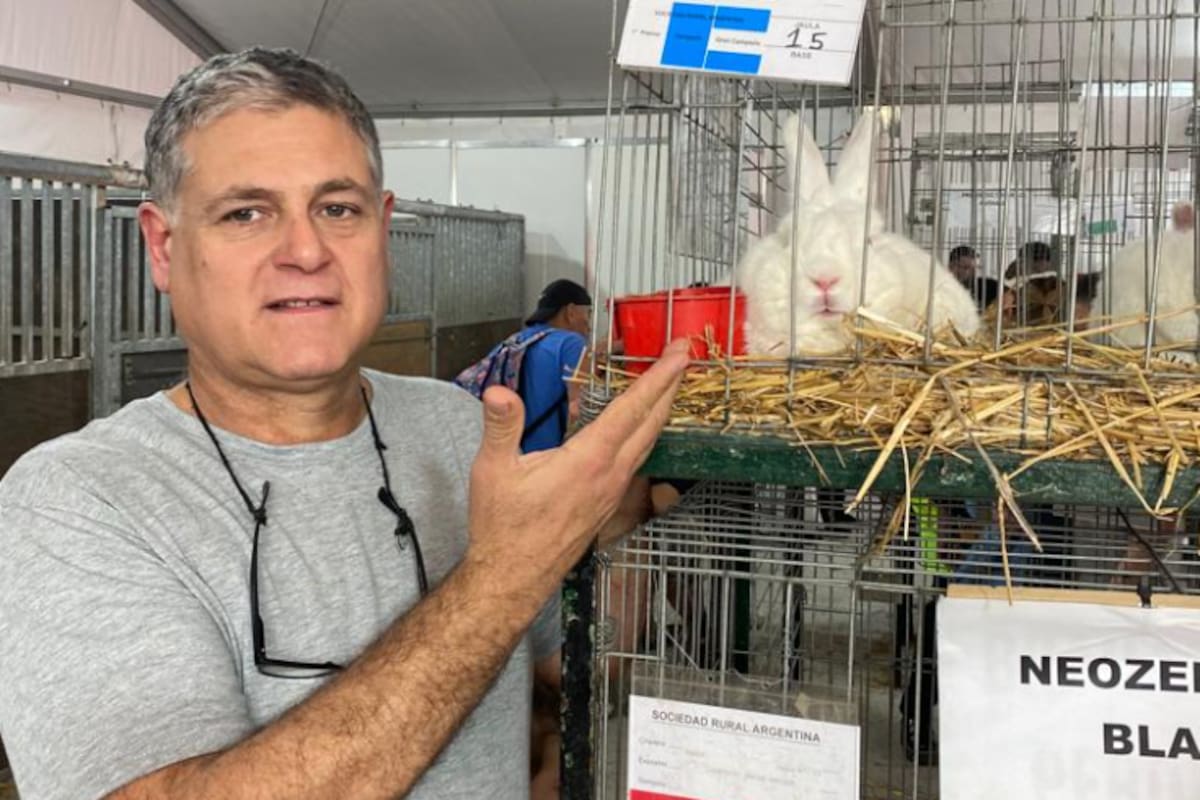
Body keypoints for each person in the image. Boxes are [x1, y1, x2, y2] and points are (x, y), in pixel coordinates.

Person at [0, 47, 688, 800]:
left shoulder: (459, 430)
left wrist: (630, 506)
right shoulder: (77, 500)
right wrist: (504, 576)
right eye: (246, 213)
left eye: (338, 208)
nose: (306, 251)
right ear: (164, 247)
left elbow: (574, 663)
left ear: (382, 227)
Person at [513, 278, 592, 452]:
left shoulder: (517, 340)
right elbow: (578, 410)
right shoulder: (572, 343)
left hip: (513, 455)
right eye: (588, 313)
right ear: (570, 312)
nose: (589, 325)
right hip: (549, 458)